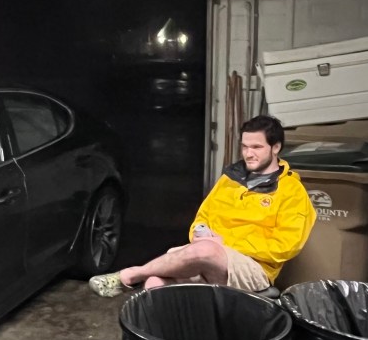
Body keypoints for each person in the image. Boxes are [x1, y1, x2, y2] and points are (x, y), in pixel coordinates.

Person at [90, 114, 316, 298]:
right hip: (208, 255)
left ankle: (130, 275)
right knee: (155, 282)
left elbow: (285, 246)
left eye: (256, 147)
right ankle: (172, 337)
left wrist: (223, 244)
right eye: (245, 146)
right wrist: (200, 233)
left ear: (275, 147)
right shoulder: (231, 179)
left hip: (254, 268)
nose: (248, 154)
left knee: (206, 250)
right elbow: (203, 217)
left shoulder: (291, 191)